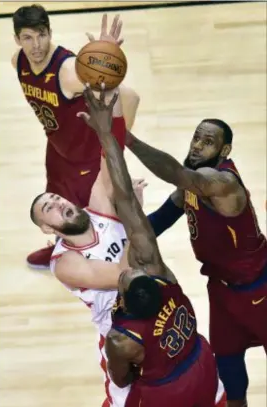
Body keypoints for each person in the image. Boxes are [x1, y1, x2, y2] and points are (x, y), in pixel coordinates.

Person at [79, 84, 227, 407]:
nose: (124, 273)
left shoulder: (121, 339)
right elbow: (127, 198)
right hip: (203, 366)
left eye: (123, 279)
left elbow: (123, 379)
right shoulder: (161, 274)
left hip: (168, 393)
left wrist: (107, 134)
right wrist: (108, 135)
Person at [123, 120, 267, 407]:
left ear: (224, 150)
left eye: (208, 141)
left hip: (259, 288)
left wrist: (127, 139)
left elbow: (178, 173)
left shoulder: (223, 184)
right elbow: (160, 220)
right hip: (222, 288)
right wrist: (121, 236)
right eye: (196, 138)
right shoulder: (189, 187)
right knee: (227, 358)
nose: (197, 146)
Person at [29, 87, 145, 407]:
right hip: (122, 340)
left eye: (56, 198)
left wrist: (107, 89)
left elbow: (112, 155)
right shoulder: (65, 263)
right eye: (49, 208)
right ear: (47, 228)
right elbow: (125, 274)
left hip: (159, 310)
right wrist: (136, 215)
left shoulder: (98, 206)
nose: (58, 202)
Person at [12, 4, 140, 269]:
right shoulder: (19, 61)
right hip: (58, 147)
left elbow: (129, 97)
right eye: (28, 37)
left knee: (89, 216)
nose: (36, 45)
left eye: (41, 35)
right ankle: (60, 247)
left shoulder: (69, 71)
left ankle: (106, 264)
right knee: (55, 210)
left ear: (50, 32)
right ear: (17, 39)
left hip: (87, 155)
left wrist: (116, 149)